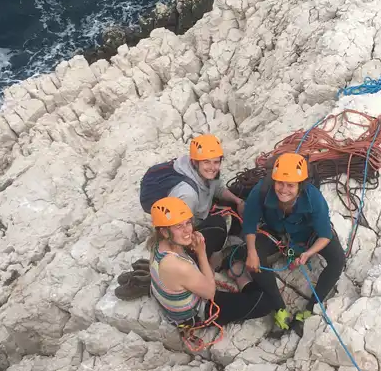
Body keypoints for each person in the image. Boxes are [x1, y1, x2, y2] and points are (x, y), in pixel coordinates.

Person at [242, 152, 346, 337]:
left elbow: (325, 235)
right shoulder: (261, 192)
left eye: (291, 185)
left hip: (308, 234)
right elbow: (249, 224)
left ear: (300, 186)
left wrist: (308, 253)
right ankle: (279, 308)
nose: (284, 189)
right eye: (280, 183)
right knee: (253, 258)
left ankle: (312, 306)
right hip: (276, 232)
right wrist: (251, 251)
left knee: (338, 259)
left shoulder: (313, 198)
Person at [148, 196, 276, 331]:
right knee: (265, 302)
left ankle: (213, 266)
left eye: (187, 223)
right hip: (196, 313)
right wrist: (201, 253)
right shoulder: (177, 266)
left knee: (217, 224)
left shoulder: (158, 244)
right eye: (179, 226)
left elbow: (184, 243)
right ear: (164, 231)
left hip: (183, 281)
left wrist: (191, 243)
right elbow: (210, 293)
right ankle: (239, 276)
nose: (187, 230)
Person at [167, 134, 245, 264]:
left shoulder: (204, 173)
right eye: (206, 162)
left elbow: (218, 188)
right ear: (195, 162)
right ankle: (213, 264)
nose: (212, 167)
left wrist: (238, 201)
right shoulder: (187, 194)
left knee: (234, 199)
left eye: (216, 162)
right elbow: (178, 228)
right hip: (184, 230)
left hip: (196, 214)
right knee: (219, 225)